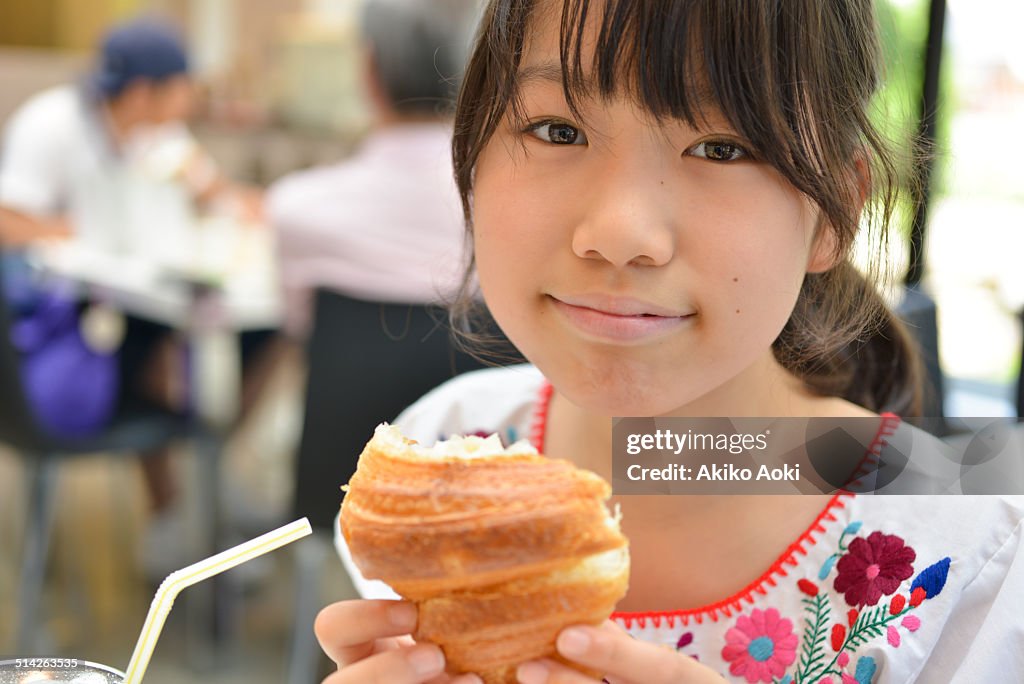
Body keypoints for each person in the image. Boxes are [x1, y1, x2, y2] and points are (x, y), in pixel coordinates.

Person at [314, 1, 1024, 683]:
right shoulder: (437, 460)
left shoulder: (975, 564)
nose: (621, 233)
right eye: (558, 130)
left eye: (722, 147)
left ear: (834, 211)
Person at [0, 20, 270, 532]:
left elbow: (217, 196)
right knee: (164, 350)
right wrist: (89, 232)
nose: (191, 99)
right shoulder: (52, 125)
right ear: (148, 92)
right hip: (53, 328)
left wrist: (268, 207)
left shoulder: (160, 136)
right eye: (184, 87)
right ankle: (183, 507)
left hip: (134, 302)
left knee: (257, 337)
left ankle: (200, 493)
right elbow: (8, 221)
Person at [267, 0, 480, 338]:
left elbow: (298, 328)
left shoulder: (295, 208)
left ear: (367, 69)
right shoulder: (498, 210)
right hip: (479, 386)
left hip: (342, 391)